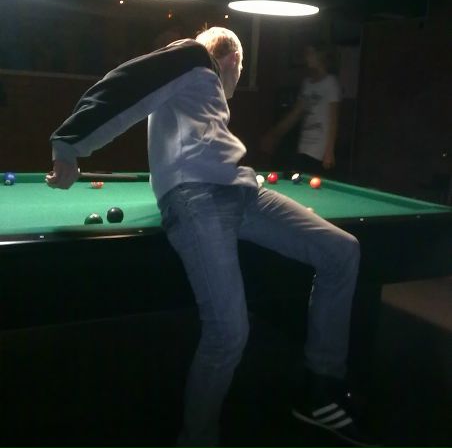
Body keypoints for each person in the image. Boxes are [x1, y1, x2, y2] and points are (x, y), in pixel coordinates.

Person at [46, 28, 379, 448]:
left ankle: (321, 389)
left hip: (245, 192)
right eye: (239, 70)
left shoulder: (195, 91)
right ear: (234, 61)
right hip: (197, 196)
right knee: (229, 332)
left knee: (342, 251)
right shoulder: (191, 57)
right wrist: (70, 144)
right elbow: (125, 84)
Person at [261, 43, 341, 176]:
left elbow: (334, 120)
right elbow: (295, 114)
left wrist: (329, 151)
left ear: (321, 55)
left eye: (310, 53)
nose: (306, 57)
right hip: (304, 147)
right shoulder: (307, 84)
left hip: (320, 150)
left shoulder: (331, 82)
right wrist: (274, 134)